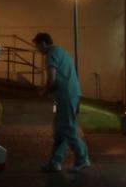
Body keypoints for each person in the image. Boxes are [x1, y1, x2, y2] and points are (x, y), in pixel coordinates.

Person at [33, 32, 90, 172]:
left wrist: (44, 92)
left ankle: (82, 159)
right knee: (61, 130)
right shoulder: (61, 51)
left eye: (37, 45)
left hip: (66, 95)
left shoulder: (50, 55)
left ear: (44, 43)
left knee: (68, 129)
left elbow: (52, 79)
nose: (37, 49)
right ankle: (55, 161)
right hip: (71, 94)